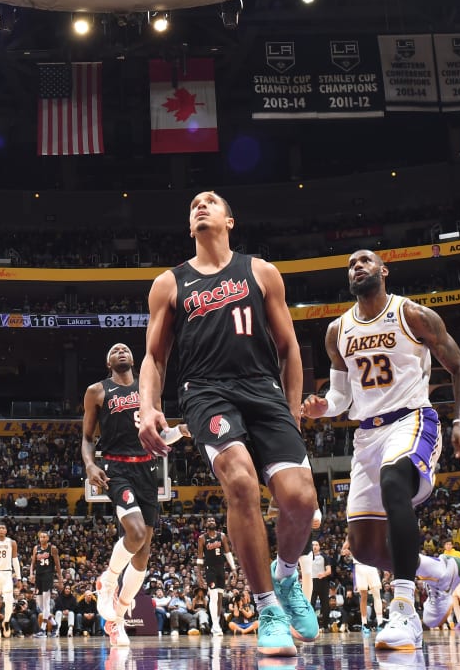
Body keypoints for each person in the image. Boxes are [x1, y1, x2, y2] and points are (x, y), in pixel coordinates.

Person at [136, 191, 321, 657]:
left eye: (211, 201)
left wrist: (294, 412)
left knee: (300, 499)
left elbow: (290, 349)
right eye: (194, 203)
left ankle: (284, 575)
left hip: (263, 389)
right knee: (240, 482)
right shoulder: (169, 283)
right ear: (189, 225)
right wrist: (148, 406)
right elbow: (154, 357)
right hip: (205, 391)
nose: (200, 204)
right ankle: (267, 611)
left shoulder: (260, 271)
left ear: (229, 220)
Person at [302, 249, 460, 651]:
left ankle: (403, 610)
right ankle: (440, 572)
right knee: (364, 548)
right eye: (350, 264)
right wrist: (321, 407)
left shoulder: (413, 314)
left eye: (365, 261)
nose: (357, 267)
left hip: (411, 419)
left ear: (384, 271)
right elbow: (339, 397)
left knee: (394, 481)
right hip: (366, 434)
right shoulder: (337, 330)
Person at [81, 342, 185, 647]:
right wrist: (90, 465)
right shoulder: (97, 391)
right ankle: (108, 580)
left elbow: (160, 435)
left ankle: (117, 620)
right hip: (117, 469)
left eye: (125, 348)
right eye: (114, 349)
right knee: (136, 532)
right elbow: (87, 437)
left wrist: (182, 430)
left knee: (143, 554)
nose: (121, 350)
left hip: (148, 470)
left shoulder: (148, 388)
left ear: (133, 358)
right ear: (108, 361)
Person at [197, 517, 234, 636]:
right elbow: (199, 557)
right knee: (213, 598)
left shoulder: (222, 536)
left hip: (220, 569)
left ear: (216, 523)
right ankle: (216, 626)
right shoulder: (202, 538)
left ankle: (215, 625)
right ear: (206, 524)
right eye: (209, 521)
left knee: (219, 598)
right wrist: (199, 575)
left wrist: (233, 568)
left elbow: (227, 553)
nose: (211, 522)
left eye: (213, 520)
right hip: (210, 570)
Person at [28, 531, 59, 636]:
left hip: (48, 576)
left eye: (44, 536)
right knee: (40, 605)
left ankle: (43, 629)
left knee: (46, 603)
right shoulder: (36, 548)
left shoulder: (52, 549)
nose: (42, 538)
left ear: (48, 538)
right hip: (38, 577)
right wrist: (31, 574)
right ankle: (54, 624)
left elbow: (57, 565)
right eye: (41, 536)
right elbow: (32, 563)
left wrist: (60, 579)